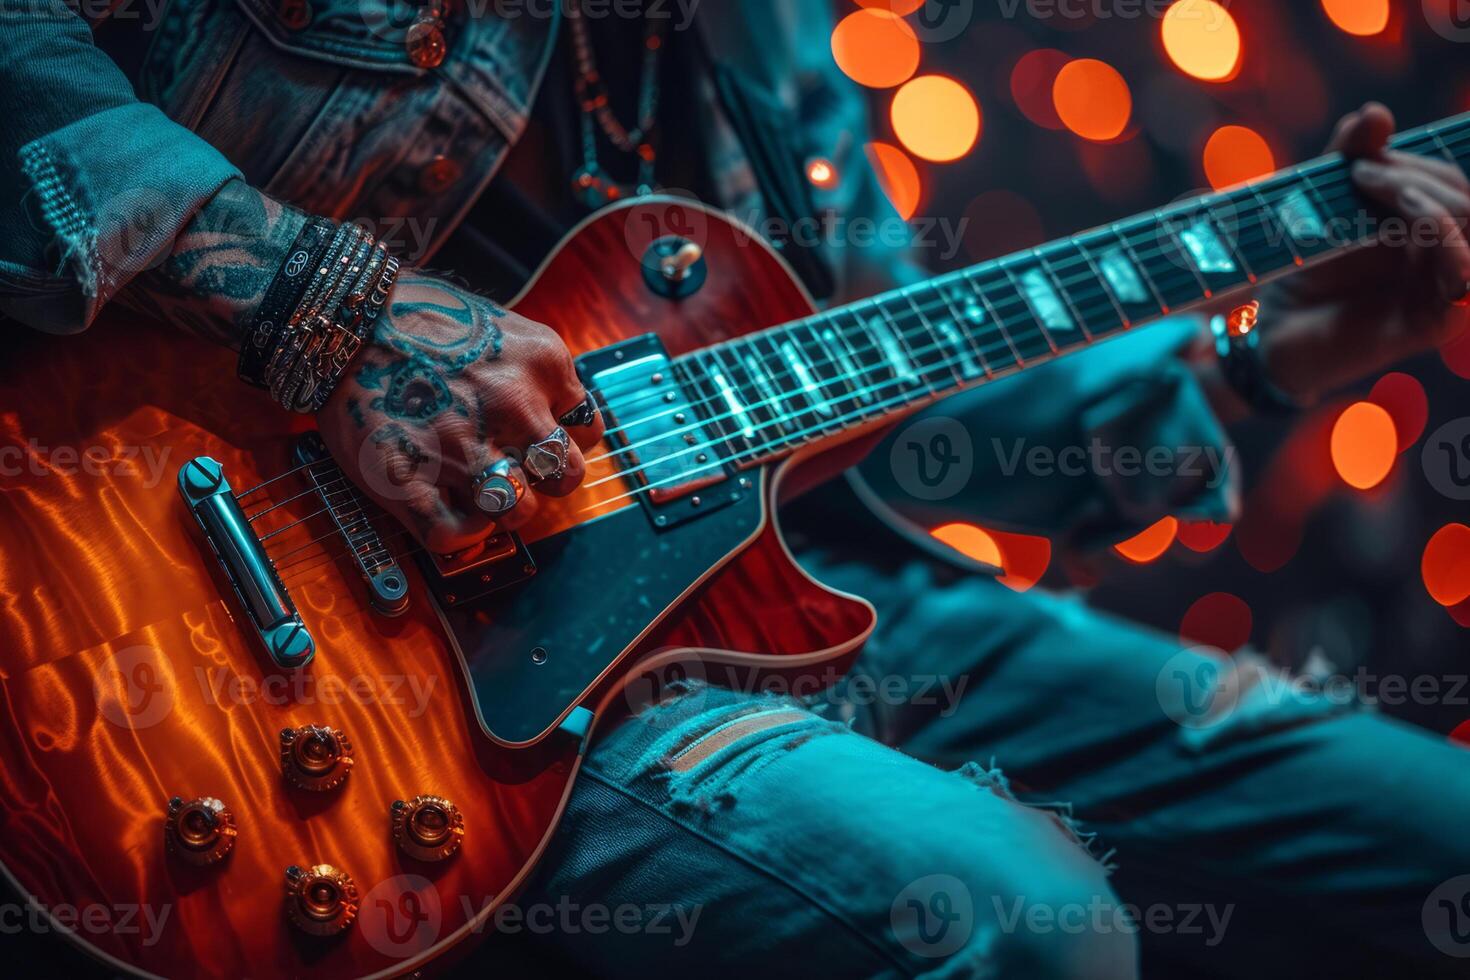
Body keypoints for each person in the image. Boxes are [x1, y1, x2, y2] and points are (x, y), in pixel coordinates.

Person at [4, 2, 1470, 976]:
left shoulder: (771, 30)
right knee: (1027, 923)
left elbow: (897, 377)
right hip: (350, 629)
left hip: (788, 578)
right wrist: (328, 301)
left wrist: (1264, 353)